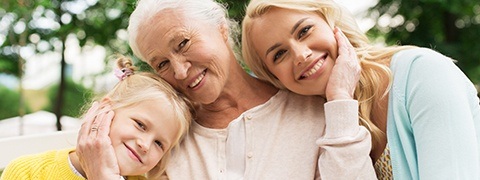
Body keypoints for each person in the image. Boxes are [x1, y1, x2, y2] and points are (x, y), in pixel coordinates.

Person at [75, 0, 377, 179]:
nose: (180, 71)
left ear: (221, 27)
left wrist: (339, 102)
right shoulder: (162, 144)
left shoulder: (314, 110)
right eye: (162, 64)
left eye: (183, 43)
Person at [241, 0, 480, 179]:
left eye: (304, 31)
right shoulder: (317, 126)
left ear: (331, 23)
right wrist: (340, 100)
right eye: (279, 54)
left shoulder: (423, 74)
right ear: (275, 77)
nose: (301, 55)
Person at [1, 56, 193, 180]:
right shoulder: (27, 172)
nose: (145, 144)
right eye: (140, 125)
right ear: (104, 110)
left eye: (159, 143)